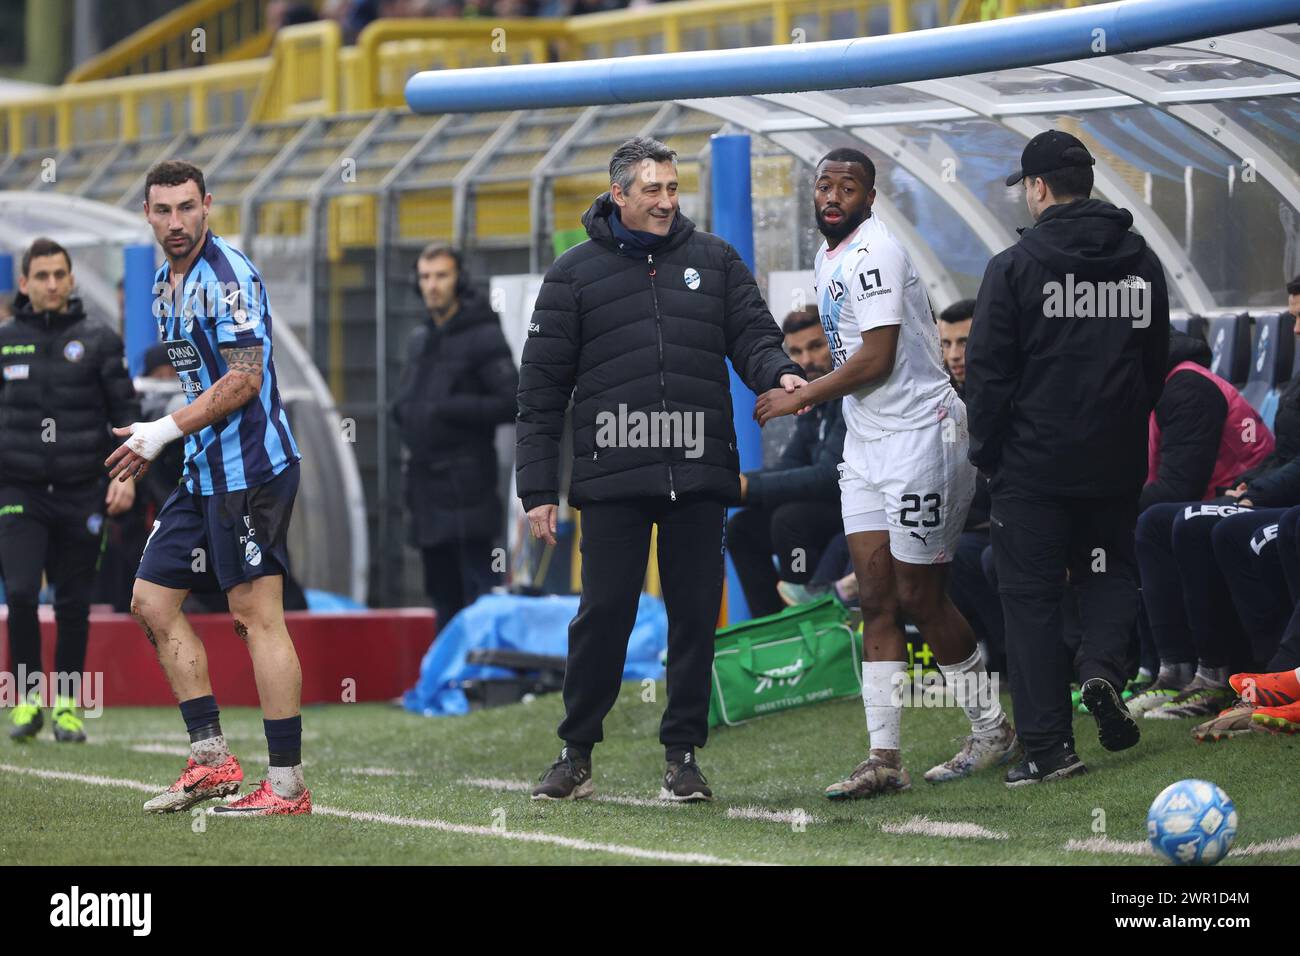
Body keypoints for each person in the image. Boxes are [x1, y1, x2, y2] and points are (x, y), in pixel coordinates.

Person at [517, 136, 806, 802]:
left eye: (673, 189)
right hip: (613, 477)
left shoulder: (716, 260)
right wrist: (538, 488)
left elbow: (754, 337)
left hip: (700, 473)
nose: (666, 202)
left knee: (695, 614)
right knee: (605, 614)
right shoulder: (572, 274)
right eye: (653, 190)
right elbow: (540, 393)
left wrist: (781, 372)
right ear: (618, 194)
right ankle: (576, 750)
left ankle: (683, 756)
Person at [755, 147, 1018, 797]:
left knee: (919, 597)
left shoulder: (876, 253)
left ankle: (992, 728)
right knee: (875, 597)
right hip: (867, 445)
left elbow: (875, 359)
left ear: (870, 198)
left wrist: (803, 394)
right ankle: (884, 759)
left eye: (849, 185)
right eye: (825, 184)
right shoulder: (829, 255)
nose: (834, 194)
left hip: (921, 439)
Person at [964, 129, 1171, 784]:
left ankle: (1049, 749)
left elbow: (989, 375)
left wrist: (987, 454)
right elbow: (1155, 360)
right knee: (1107, 574)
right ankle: (1103, 674)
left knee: (1030, 602)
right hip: (1111, 464)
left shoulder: (1015, 267)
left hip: (1033, 468)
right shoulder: (1140, 260)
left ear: (1039, 187)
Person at [106, 159, 310, 816]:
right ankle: (212, 760)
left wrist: (161, 431)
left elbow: (245, 379)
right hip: (203, 471)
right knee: (151, 601)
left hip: (251, 473)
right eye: (162, 210)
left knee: (256, 619)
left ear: (208, 205)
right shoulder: (168, 281)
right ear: (147, 214)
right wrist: (158, 440)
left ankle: (286, 787)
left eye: (186, 207)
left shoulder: (229, 279)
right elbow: (200, 380)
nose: (175, 221)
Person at [3, 238, 140, 743]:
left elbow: (126, 418)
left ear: (72, 279)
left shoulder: (100, 340)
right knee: (19, 592)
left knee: (72, 602)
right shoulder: (4, 340)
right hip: (18, 489)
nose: (53, 284)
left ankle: (66, 706)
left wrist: (124, 477)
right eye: (42, 276)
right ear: (24, 283)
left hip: (83, 489)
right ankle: (25, 698)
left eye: (60, 274)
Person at [392, 243, 517, 629]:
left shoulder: (483, 335)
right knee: (441, 594)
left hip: (467, 491)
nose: (432, 285)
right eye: (425, 277)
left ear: (459, 280)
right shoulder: (421, 338)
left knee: (476, 592)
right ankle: (448, 681)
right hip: (427, 493)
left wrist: (448, 409)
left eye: (441, 276)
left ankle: (483, 683)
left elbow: (511, 400)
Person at [727, 307, 845, 618]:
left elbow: (829, 477)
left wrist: (749, 487)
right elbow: (788, 467)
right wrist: (733, 484)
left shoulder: (850, 395)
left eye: (816, 346)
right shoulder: (814, 402)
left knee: (790, 519)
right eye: (796, 351)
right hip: (830, 509)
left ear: (835, 343)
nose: (806, 360)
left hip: (864, 510)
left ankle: (802, 619)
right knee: (742, 528)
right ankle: (770, 628)